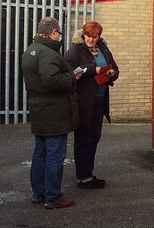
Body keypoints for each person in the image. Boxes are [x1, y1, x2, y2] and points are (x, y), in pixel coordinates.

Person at [21, 17, 80, 209]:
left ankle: (39, 193)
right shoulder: (49, 54)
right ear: (53, 33)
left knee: (40, 153)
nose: (59, 37)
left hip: (38, 109)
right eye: (59, 33)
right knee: (55, 155)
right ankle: (53, 197)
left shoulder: (30, 50)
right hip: (54, 112)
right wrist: (71, 76)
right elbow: (52, 81)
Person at [64, 21, 119, 189]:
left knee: (94, 137)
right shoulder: (75, 49)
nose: (91, 40)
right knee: (83, 139)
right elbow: (70, 71)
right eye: (88, 36)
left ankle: (88, 174)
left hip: (100, 99)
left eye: (95, 37)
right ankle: (83, 177)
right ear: (83, 35)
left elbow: (115, 69)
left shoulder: (103, 48)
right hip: (83, 101)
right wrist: (92, 69)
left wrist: (111, 73)